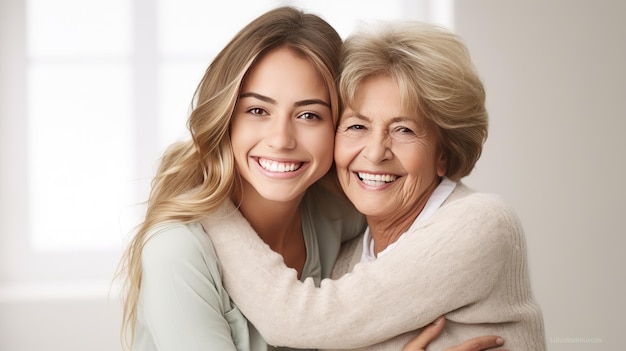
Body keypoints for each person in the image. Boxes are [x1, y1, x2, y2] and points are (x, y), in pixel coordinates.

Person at [117, 6, 507, 351]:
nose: (282, 140)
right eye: (257, 111)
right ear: (225, 119)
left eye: (309, 115)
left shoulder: (340, 218)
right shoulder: (176, 251)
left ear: (336, 127)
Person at [201, 20, 547, 350]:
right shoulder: (346, 260)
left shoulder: (479, 223)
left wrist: (208, 197)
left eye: (404, 130)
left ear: (444, 153)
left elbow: (293, 319)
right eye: (357, 126)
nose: (376, 152)